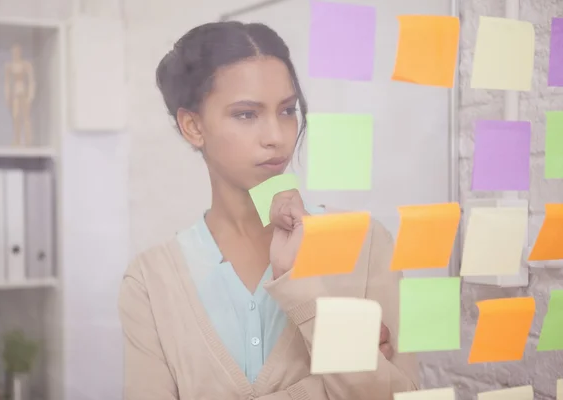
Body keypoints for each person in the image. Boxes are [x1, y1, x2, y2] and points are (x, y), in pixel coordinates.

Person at [118, 21, 419, 399]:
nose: (277, 137)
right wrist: (321, 389)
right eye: (246, 114)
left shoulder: (366, 244)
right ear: (193, 126)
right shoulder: (150, 283)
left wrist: (304, 288)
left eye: (288, 110)